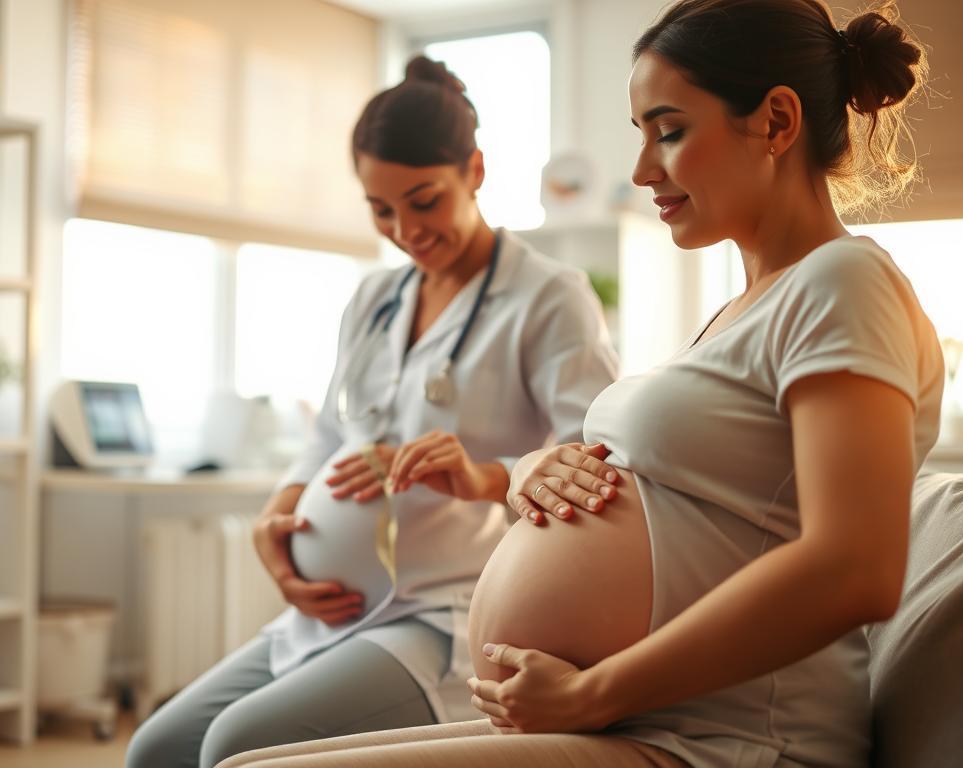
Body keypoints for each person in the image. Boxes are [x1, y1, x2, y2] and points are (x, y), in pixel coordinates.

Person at [216, 1, 943, 766]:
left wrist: (598, 692)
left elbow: (855, 568)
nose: (640, 169)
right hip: (630, 716)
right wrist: (531, 469)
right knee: (240, 760)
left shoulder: (843, 281)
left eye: (668, 131)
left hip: (728, 738)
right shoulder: (740, 311)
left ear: (776, 121)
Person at [125, 55, 619, 768]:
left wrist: (481, 476)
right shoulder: (375, 299)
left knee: (235, 747)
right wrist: (282, 513)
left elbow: (594, 459)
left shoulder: (548, 296)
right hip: (332, 615)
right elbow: (330, 431)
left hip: (443, 615)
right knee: (156, 749)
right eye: (380, 209)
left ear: (475, 171)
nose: (404, 229)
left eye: (424, 201)